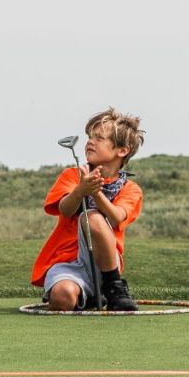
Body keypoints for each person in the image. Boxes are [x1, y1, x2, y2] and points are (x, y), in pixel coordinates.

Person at [31, 108, 145, 311]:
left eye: (99, 138)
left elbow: (117, 217)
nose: (90, 142)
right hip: (67, 263)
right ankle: (90, 297)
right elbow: (65, 209)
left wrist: (94, 193)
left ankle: (113, 287)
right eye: (89, 137)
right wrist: (79, 191)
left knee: (92, 217)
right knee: (62, 298)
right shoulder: (72, 175)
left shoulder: (131, 189)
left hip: (105, 266)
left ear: (122, 150)